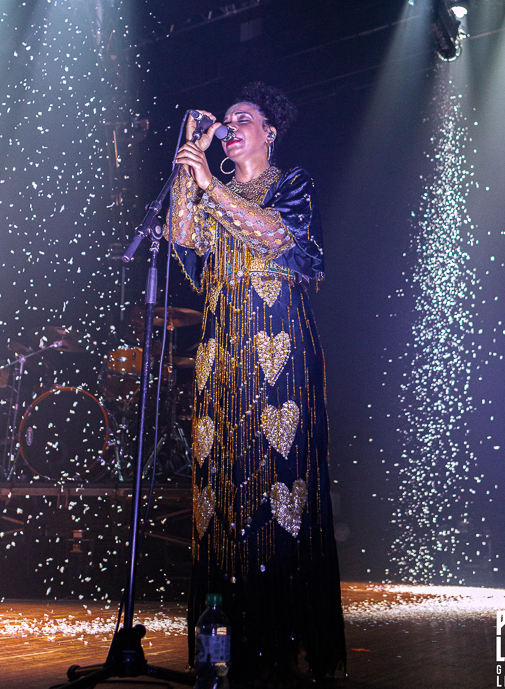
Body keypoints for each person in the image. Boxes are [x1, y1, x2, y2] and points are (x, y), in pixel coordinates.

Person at [168, 82, 345, 685]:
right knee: (221, 483)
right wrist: (186, 158)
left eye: (244, 119)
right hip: (222, 350)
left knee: (277, 480)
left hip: (278, 347)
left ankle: (281, 636)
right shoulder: (211, 192)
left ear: (269, 132)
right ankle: (224, 638)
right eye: (227, 123)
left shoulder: (291, 183)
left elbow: (277, 237)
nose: (232, 127)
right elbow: (180, 238)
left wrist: (212, 186)